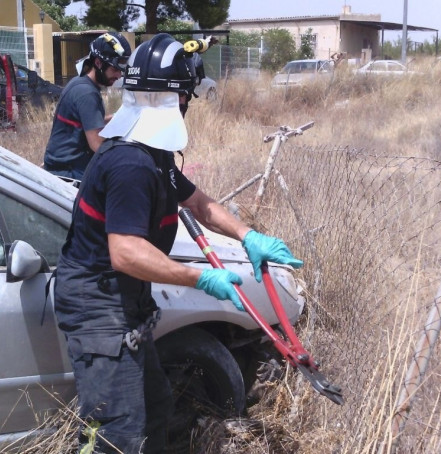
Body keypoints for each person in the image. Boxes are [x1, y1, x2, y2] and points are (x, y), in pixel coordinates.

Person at [53, 33, 304, 453]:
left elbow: (199, 203)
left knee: (155, 406)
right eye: (188, 95)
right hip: (98, 305)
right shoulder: (130, 163)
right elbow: (126, 252)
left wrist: (249, 237)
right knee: (118, 433)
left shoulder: (153, 154)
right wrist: (201, 278)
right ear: (178, 99)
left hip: (124, 300)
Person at [43, 32, 132, 180]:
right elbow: (97, 145)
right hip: (70, 174)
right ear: (98, 63)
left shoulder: (79, 82)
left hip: (62, 168)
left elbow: (89, 122)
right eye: (115, 69)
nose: (119, 76)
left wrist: (118, 117)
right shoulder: (87, 93)